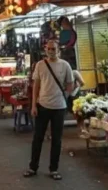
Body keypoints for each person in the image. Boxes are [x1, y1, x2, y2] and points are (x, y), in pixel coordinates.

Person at [24, 40, 73, 181]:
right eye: (49, 48)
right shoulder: (40, 65)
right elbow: (36, 87)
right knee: (37, 138)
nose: (51, 51)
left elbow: (70, 84)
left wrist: (65, 96)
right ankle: (33, 167)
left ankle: (54, 169)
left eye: (53, 49)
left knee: (56, 140)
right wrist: (33, 105)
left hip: (59, 107)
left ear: (58, 50)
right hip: (42, 106)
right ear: (45, 49)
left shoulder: (65, 65)